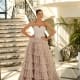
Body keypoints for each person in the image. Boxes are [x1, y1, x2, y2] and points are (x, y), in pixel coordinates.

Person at [18, 9, 59, 80]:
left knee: (43, 60)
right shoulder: (33, 23)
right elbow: (23, 30)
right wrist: (30, 36)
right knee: (33, 61)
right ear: (36, 15)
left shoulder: (45, 23)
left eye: (42, 14)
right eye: (39, 14)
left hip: (43, 44)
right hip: (33, 43)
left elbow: (54, 31)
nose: (41, 15)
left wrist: (47, 38)